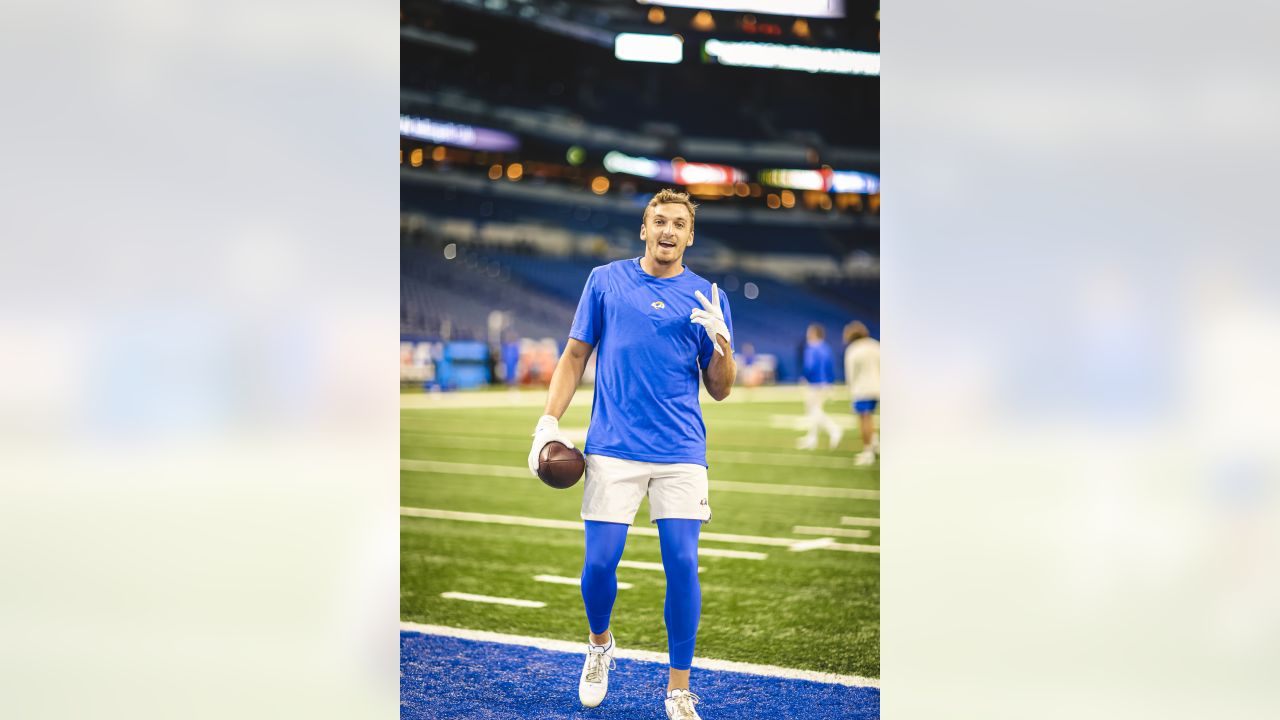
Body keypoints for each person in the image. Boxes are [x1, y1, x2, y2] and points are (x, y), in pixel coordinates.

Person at [527, 189, 735, 720]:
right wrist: (548, 423)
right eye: (659, 220)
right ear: (644, 228)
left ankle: (679, 689)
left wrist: (722, 347)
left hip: (681, 450)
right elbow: (575, 355)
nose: (669, 230)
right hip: (613, 447)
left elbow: (721, 388)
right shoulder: (605, 280)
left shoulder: (708, 295)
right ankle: (599, 645)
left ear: (692, 235)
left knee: (683, 563)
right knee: (599, 564)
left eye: (680, 223)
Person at [797, 323, 844, 450]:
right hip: (825, 383)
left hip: (814, 383)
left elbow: (809, 366)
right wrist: (830, 382)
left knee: (813, 411)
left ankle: (834, 429)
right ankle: (812, 439)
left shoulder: (811, 347)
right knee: (815, 409)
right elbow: (830, 366)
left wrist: (804, 378)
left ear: (814, 333)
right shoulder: (826, 347)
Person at [844, 321, 880, 466]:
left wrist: (851, 390)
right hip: (878, 387)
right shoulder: (875, 345)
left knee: (865, 419)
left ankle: (867, 452)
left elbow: (851, 374)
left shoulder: (853, 349)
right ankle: (875, 443)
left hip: (862, 389)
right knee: (870, 418)